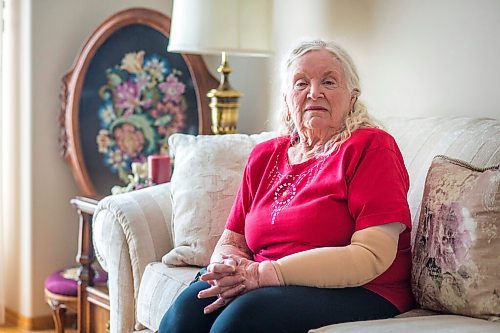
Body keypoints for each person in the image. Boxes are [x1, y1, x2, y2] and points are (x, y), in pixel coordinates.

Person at [158, 39, 413, 333]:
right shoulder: (266, 155)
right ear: (287, 99)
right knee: (185, 313)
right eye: (301, 83)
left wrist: (265, 274)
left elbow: (372, 257)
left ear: (352, 98)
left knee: (239, 321)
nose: (314, 92)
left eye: (329, 82)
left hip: (360, 288)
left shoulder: (371, 146)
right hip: (265, 278)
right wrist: (228, 269)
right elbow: (233, 240)